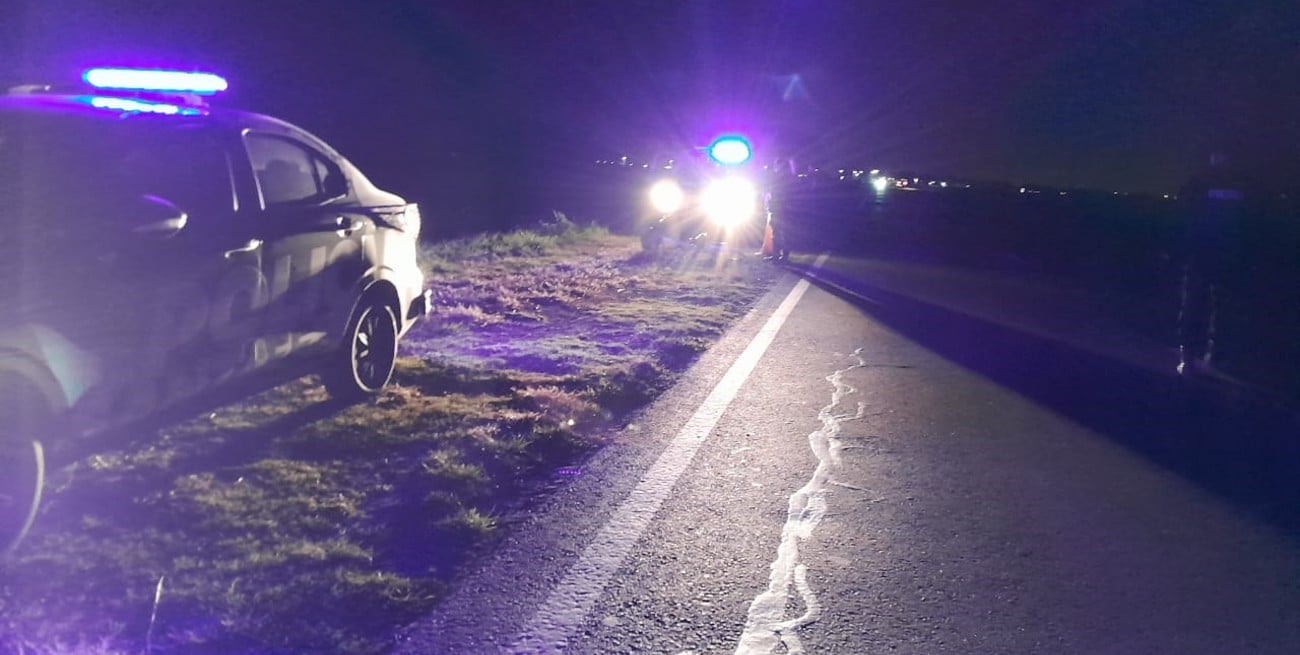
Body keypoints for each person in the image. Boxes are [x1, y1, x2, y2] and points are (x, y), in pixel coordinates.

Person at [1176, 151, 1247, 377]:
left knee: (1200, 305)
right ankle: (1206, 355)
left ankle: (1194, 355)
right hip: (1220, 255)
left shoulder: (1199, 182)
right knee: (1215, 306)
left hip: (1209, 255)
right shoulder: (1239, 184)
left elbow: (1184, 215)